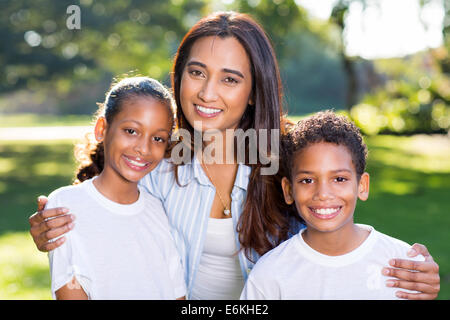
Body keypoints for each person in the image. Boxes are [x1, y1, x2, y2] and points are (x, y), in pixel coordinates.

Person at [29, 12, 440, 300]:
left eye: (229, 79)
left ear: (252, 91)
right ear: (180, 76)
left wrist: (411, 270)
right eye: (197, 73)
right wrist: (52, 227)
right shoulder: (157, 163)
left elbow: (334, 220)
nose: (208, 93)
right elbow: (100, 217)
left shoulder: (289, 158)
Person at [241, 110, 428, 299]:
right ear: (289, 190)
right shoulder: (270, 274)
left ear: (362, 186)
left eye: (339, 179)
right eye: (307, 180)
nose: (323, 194)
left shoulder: (404, 265)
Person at [45, 76, 186, 299]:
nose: (143, 148)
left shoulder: (159, 210)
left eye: (158, 138)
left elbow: (177, 293)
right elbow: (69, 290)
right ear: (102, 128)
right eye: (131, 131)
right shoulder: (65, 206)